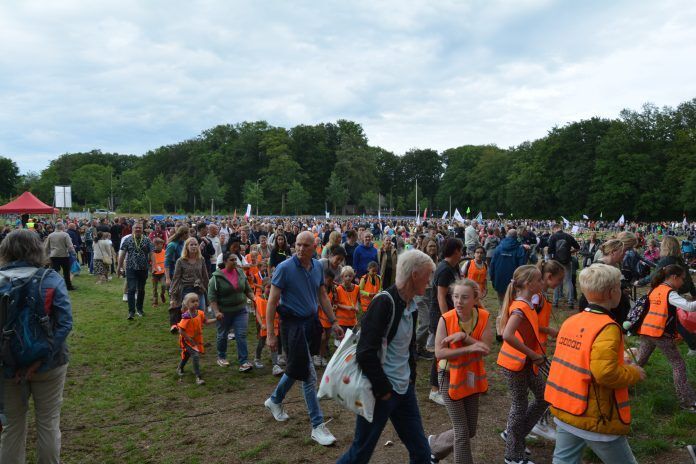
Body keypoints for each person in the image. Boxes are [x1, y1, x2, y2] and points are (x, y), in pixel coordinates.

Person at [337, 249, 435, 463]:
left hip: (404, 389)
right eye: (428, 276)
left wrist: (410, 378)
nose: (429, 282)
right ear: (415, 275)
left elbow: (408, 346)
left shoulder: (412, 305)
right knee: (360, 453)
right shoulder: (384, 302)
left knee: (421, 452)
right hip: (381, 392)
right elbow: (365, 352)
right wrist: (383, 390)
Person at [545, 264, 645, 464]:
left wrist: (618, 360)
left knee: (563, 460)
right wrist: (633, 372)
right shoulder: (608, 328)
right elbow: (605, 373)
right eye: (619, 287)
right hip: (596, 416)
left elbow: (580, 358)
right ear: (611, 292)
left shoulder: (571, 321)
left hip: (566, 407)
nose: (622, 291)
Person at [263, 231, 343, 446]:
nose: (300, 249)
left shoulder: (317, 266)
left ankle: (275, 400)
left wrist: (334, 321)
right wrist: (271, 333)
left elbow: (322, 295)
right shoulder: (284, 268)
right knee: (308, 375)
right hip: (292, 325)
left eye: (305, 245)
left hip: (311, 322)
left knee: (297, 367)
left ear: (315, 247)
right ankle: (317, 426)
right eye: (298, 244)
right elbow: (272, 302)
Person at [0, 229, 73, 463]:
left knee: (12, 426)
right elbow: (64, 324)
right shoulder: (50, 279)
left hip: (6, 365)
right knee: (48, 423)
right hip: (49, 364)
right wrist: (41, 359)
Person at [434, 279, 493, 464]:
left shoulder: (483, 317)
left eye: (465, 297)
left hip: (470, 377)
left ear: (475, 299)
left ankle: (434, 446)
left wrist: (464, 337)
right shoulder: (445, 319)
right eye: (456, 296)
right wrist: (467, 348)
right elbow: (439, 352)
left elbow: (486, 348)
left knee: (471, 430)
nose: (459, 301)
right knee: (461, 431)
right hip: (448, 376)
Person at [496, 265, 548, 464]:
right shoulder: (519, 308)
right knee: (520, 405)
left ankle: (514, 436)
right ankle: (512, 455)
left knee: (543, 397)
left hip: (525, 362)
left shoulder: (527, 304)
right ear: (528, 284)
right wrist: (532, 354)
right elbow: (507, 335)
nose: (542, 283)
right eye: (539, 280)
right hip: (514, 363)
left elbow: (528, 329)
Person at [635, 264, 696, 411]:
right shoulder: (670, 293)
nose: (683, 282)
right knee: (678, 365)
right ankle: (687, 402)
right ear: (673, 277)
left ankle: (620, 384)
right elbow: (689, 307)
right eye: (682, 279)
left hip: (647, 330)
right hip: (660, 334)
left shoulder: (655, 289)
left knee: (639, 361)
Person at [635, 235, 696, 354]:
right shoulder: (680, 260)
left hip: (668, 291)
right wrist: (693, 292)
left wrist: (640, 282)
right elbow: (688, 277)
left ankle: (692, 345)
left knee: (668, 318)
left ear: (665, 246)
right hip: (680, 289)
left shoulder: (666, 261)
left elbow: (654, 276)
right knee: (672, 318)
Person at [429, 238, 464, 405]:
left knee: (449, 349)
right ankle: (434, 390)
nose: (462, 252)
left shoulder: (453, 267)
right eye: (461, 249)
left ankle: (446, 383)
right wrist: (446, 320)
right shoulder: (444, 270)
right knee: (440, 351)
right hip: (441, 316)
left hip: (450, 315)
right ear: (455, 250)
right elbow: (441, 297)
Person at [208, 251, 256, 372]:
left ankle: (244, 362)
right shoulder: (216, 278)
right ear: (225, 262)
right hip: (224, 312)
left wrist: (256, 299)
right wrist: (216, 312)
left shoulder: (240, 273)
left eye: (236, 259)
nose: (235, 262)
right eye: (232, 260)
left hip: (241, 310)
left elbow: (247, 290)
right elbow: (212, 297)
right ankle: (221, 356)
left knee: (241, 335)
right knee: (223, 335)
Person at [176, 292, 217, 385]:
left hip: (196, 340)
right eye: (192, 301)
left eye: (197, 301)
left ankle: (180, 368)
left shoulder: (200, 313)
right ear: (187, 304)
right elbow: (181, 330)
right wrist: (189, 339)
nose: (195, 303)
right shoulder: (186, 316)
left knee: (186, 355)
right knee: (195, 355)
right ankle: (198, 377)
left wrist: (216, 319)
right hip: (186, 340)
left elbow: (206, 321)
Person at [118, 222, 154, 320]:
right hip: (131, 268)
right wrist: (119, 267)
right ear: (133, 229)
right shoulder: (128, 240)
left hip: (143, 268)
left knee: (141, 289)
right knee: (132, 289)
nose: (138, 229)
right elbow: (122, 254)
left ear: (142, 229)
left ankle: (140, 309)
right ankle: (131, 312)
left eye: (140, 228)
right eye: (136, 228)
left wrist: (153, 266)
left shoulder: (147, 240)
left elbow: (151, 254)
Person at [489, 229, 527, 307]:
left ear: (507, 235)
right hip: (512, 281)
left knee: (502, 303)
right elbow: (522, 266)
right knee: (512, 303)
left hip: (499, 279)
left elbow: (492, 264)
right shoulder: (519, 249)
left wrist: (492, 278)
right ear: (516, 237)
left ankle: (502, 316)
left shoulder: (498, 248)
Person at [547, 223, 580, 308]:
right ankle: (570, 302)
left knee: (556, 281)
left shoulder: (553, 237)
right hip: (567, 261)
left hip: (557, 262)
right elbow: (577, 247)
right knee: (568, 281)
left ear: (555, 228)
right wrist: (570, 252)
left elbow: (549, 251)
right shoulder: (568, 236)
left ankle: (555, 302)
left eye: (553, 230)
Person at [254, 279, 282, 374]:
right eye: (268, 287)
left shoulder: (276, 299)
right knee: (261, 343)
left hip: (274, 326)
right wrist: (261, 324)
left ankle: (275, 364)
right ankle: (257, 359)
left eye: (271, 287)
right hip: (263, 327)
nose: (270, 289)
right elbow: (257, 312)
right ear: (263, 288)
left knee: (274, 343)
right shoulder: (259, 299)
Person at [44, 222, 76, 290]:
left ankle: (55, 286)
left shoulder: (50, 235)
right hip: (64, 255)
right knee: (66, 272)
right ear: (62, 227)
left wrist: (47, 255)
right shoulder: (65, 235)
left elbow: (46, 247)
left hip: (54, 255)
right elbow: (70, 246)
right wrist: (73, 252)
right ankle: (68, 286)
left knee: (55, 272)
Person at [335, 265, 360, 332]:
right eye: (346, 276)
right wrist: (347, 307)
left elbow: (357, 300)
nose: (348, 278)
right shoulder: (338, 289)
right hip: (341, 321)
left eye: (350, 276)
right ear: (342, 277)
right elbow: (336, 304)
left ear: (353, 276)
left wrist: (357, 306)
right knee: (342, 340)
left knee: (352, 340)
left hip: (353, 320)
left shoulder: (357, 288)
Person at [150, 237, 167, 307]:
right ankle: (155, 301)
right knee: (155, 288)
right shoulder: (151, 253)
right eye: (156, 245)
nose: (158, 246)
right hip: (155, 274)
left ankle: (162, 294)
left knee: (164, 285)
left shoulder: (164, 252)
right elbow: (148, 262)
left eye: (160, 244)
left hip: (163, 273)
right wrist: (151, 268)